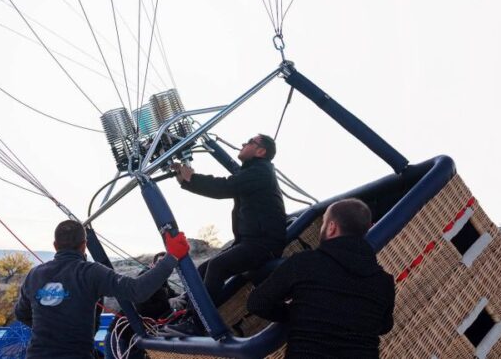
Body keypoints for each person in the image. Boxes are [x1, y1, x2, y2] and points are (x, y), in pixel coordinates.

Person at [15, 220, 190, 359]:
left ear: (55, 245)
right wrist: (172, 256)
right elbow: (137, 291)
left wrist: (51, 328)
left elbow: (21, 313)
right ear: (84, 245)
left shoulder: (34, 275)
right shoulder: (90, 272)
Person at [166, 134, 286, 335]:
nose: (243, 143)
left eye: (249, 142)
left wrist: (192, 178)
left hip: (264, 244)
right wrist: (186, 179)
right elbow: (227, 184)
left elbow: (225, 187)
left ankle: (198, 324)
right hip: (250, 242)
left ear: (261, 151)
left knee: (217, 266)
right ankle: (186, 310)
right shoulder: (251, 172)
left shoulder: (261, 172)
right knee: (203, 268)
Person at [247, 198, 395, 358]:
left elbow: (257, 302)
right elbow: (385, 326)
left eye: (324, 222)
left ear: (331, 227)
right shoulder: (384, 282)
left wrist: (295, 313)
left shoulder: (304, 262)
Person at [103, 252, 179, 359]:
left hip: (136, 339)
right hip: (121, 337)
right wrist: (169, 303)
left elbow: (172, 295)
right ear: (152, 265)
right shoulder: (145, 281)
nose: (163, 266)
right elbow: (142, 307)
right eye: (160, 263)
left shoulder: (163, 283)